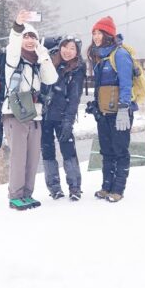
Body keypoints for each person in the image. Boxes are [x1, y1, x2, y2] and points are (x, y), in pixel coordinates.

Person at [3, 10, 58, 210]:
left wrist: (44, 57)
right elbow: (13, 43)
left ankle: (27, 194)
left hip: (35, 114)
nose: (29, 40)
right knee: (18, 156)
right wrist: (18, 25)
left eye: (32, 37)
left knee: (33, 157)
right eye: (26, 37)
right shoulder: (13, 60)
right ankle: (15, 195)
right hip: (15, 114)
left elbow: (51, 79)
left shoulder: (37, 63)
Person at [87, 16, 136, 203]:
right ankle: (106, 186)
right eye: (93, 33)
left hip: (120, 112)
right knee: (106, 150)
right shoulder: (100, 56)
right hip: (104, 112)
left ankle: (118, 189)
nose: (96, 36)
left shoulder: (120, 54)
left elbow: (126, 83)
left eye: (99, 33)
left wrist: (124, 108)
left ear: (108, 34)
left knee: (120, 150)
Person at [40, 35, 86, 201]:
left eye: (72, 48)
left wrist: (69, 120)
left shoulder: (77, 69)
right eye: (65, 47)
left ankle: (75, 187)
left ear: (77, 52)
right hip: (44, 116)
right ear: (60, 48)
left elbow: (74, 98)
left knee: (68, 151)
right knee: (47, 152)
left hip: (62, 116)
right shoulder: (49, 62)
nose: (68, 51)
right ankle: (54, 188)